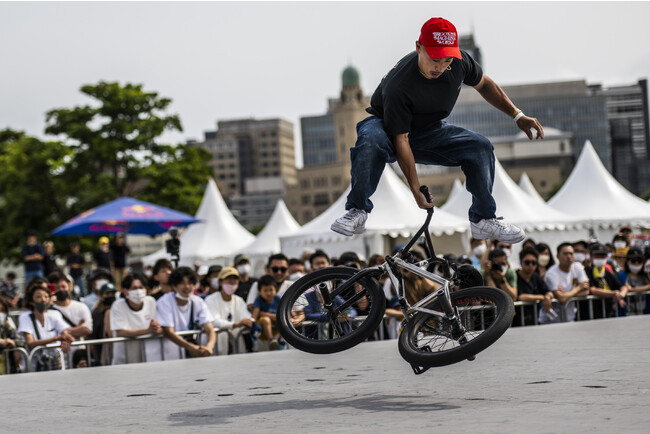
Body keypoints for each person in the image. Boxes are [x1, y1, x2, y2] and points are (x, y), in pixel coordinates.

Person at [330, 17, 543, 244]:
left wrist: (517, 115)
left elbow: (485, 84)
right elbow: (401, 139)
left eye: (446, 60)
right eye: (434, 60)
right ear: (419, 47)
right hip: (387, 128)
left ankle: (483, 219)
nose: (440, 67)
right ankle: (358, 210)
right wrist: (415, 189)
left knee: (480, 146)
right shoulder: (399, 84)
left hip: (429, 131)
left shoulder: (460, 62)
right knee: (370, 139)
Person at [156, 266, 216, 360]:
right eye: (182, 283)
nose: (187, 287)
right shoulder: (164, 302)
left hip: (194, 354)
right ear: (174, 286)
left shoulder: (198, 301)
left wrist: (209, 347)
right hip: (171, 355)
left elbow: (209, 327)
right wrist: (191, 347)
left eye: (190, 283)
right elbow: (168, 331)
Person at [17, 280, 75, 371]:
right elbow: (30, 343)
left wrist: (65, 339)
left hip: (56, 365)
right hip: (35, 367)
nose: (43, 300)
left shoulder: (55, 314)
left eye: (46, 296)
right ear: (31, 301)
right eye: (38, 297)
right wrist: (56, 339)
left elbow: (64, 331)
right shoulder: (24, 317)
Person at [109, 273, 162, 364]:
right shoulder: (118, 305)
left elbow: (158, 326)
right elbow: (120, 332)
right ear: (125, 291)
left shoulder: (150, 301)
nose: (138, 291)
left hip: (147, 356)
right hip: (124, 357)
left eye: (141, 287)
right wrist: (148, 331)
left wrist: (157, 329)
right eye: (134, 288)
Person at [204, 267, 255, 355]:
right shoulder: (210, 300)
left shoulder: (239, 300)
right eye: (228, 280)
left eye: (235, 280)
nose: (232, 282)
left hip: (237, 346)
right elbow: (214, 321)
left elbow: (246, 316)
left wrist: (249, 321)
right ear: (220, 282)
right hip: (217, 347)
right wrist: (235, 324)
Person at [542, 243, 589, 324]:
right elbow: (562, 299)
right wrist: (579, 288)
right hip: (551, 321)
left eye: (571, 253)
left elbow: (586, 291)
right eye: (565, 254)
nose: (569, 256)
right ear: (557, 256)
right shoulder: (551, 273)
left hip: (570, 318)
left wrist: (565, 295)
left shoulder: (577, 267)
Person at [585, 243, 629, 318]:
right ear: (591, 256)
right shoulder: (586, 271)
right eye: (597, 255)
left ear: (606, 257)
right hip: (591, 313)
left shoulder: (607, 273)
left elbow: (623, 287)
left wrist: (621, 294)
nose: (600, 258)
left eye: (602, 255)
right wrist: (613, 293)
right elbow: (592, 290)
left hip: (607, 313)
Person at [49, 271, 93, 340]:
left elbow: (87, 329)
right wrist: (78, 328)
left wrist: (61, 332)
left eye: (63, 286)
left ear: (69, 287)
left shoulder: (81, 306)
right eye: (57, 288)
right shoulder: (49, 309)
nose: (61, 290)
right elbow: (48, 333)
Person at [516, 247, 553, 325]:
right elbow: (521, 297)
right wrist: (541, 297)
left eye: (533, 262)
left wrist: (548, 297)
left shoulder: (536, 277)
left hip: (535, 320)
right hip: (518, 321)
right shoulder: (515, 276)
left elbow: (549, 291)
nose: (530, 265)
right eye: (527, 262)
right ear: (521, 262)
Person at [251, 275, 283, 350]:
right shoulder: (259, 300)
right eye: (265, 290)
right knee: (266, 319)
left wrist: (265, 314)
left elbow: (282, 314)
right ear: (259, 291)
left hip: (275, 324)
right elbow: (255, 316)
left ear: (276, 290)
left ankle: (281, 340)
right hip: (262, 325)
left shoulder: (278, 299)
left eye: (271, 290)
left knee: (282, 320)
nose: (268, 293)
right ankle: (271, 340)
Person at [90, 282, 118, 365]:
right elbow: (93, 335)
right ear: (101, 296)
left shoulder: (118, 310)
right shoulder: (97, 313)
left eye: (112, 294)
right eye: (108, 294)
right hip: (101, 349)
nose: (111, 296)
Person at [0, 298, 25, 374]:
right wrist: (2, 343)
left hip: (7, 372)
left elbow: (21, 340)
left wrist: (13, 343)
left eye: (2, 310)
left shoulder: (6, 326)